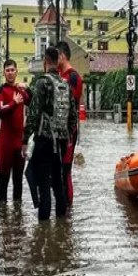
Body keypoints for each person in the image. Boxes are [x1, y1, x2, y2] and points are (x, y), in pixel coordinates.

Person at [22, 46, 72, 221]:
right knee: (58, 184)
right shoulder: (66, 85)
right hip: (61, 141)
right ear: (58, 61)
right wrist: (67, 140)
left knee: (43, 185)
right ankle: (61, 228)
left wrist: (24, 139)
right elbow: (73, 118)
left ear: (45, 61)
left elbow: (33, 113)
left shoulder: (42, 82)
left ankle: (43, 230)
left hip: (44, 141)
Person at [0, 59, 32, 202]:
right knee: (3, 180)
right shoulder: (0, 91)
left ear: (17, 72)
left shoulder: (20, 90)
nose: (10, 73)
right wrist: (14, 103)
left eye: (12, 70)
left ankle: (18, 217)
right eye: (7, 70)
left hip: (19, 142)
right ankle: (2, 216)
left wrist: (27, 88)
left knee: (18, 181)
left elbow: (33, 103)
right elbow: (1, 112)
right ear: (4, 73)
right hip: (5, 143)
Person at [55, 41, 83, 208]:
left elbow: (67, 102)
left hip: (68, 131)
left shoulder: (73, 77)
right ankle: (60, 209)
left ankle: (67, 212)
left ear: (62, 56)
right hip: (56, 132)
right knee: (56, 171)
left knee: (65, 171)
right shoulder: (58, 75)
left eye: (55, 56)